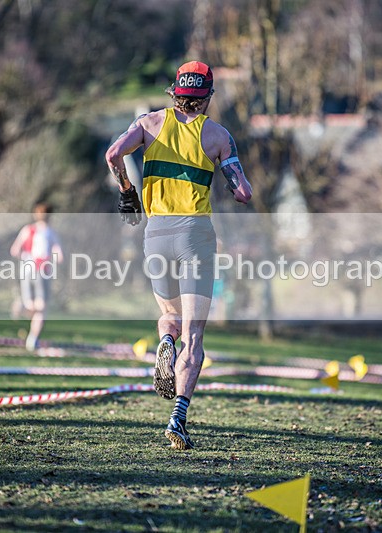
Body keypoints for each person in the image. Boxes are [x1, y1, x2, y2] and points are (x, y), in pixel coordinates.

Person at [105, 61, 253, 450]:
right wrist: (226, 175)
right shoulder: (218, 135)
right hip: (195, 237)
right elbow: (244, 192)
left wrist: (127, 192)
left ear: (175, 93)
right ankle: (178, 417)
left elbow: (113, 153)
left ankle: (164, 343)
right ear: (206, 98)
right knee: (195, 333)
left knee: (168, 316)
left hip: (156, 235)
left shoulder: (149, 123)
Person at [10, 203, 64, 351]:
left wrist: (26, 257)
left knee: (33, 306)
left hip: (27, 270)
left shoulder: (27, 230)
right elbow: (59, 256)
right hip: (42, 271)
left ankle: (21, 308)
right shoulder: (49, 232)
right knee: (41, 308)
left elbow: (14, 250)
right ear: (50, 216)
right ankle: (32, 338)